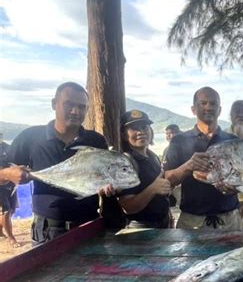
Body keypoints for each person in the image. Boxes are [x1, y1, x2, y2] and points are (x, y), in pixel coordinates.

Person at [0, 82, 115, 245]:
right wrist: (8, 174)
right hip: (48, 230)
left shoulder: (95, 140)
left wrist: (107, 187)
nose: (76, 111)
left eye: (82, 107)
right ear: (54, 104)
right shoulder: (31, 137)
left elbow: (102, 179)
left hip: (89, 225)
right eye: (69, 105)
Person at [164, 86, 242, 230]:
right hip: (192, 221)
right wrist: (188, 167)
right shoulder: (179, 141)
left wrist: (235, 188)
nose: (209, 107)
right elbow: (167, 180)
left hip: (229, 220)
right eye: (203, 103)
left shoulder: (233, 141)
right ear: (193, 109)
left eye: (213, 104)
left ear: (219, 110)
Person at [117, 110, 171, 228]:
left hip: (163, 225)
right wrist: (153, 189)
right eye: (134, 128)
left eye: (144, 127)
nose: (141, 132)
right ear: (123, 135)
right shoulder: (125, 163)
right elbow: (128, 207)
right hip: (140, 230)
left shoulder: (153, 157)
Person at [0, 137, 20, 248]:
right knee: (6, 211)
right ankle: (11, 238)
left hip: (11, 184)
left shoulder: (9, 148)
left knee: (12, 210)